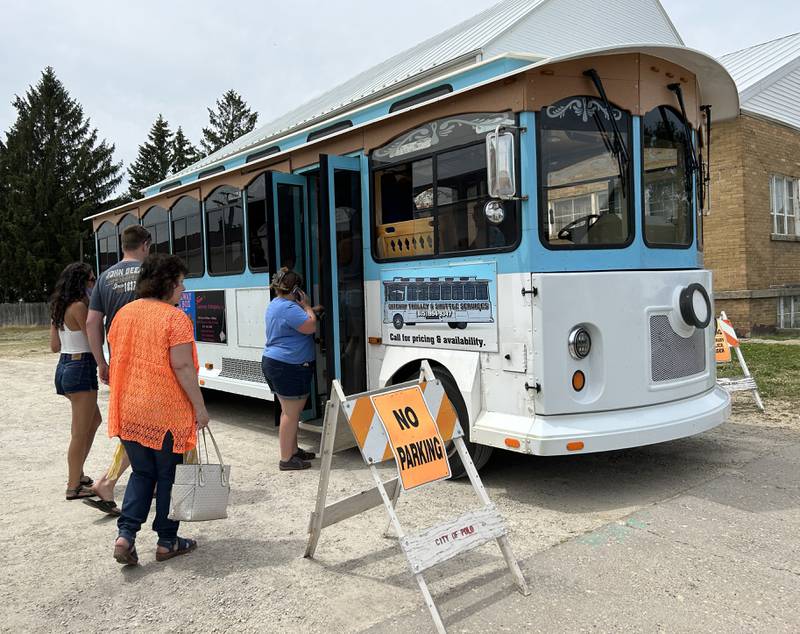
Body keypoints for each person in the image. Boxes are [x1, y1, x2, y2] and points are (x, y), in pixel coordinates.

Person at [108, 253, 209, 565]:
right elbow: (182, 366)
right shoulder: (174, 318)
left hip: (129, 407)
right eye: (180, 283)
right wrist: (200, 407)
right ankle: (167, 540)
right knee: (168, 475)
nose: (183, 290)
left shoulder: (123, 314)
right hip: (164, 411)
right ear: (166, 283)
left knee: (141, 472)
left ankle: (125, 535)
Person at [85, 225, 151, 514]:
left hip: (120, 361)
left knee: (138, 424)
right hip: (150, 359)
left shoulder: (104, 278)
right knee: (147, 424)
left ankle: (111, 482)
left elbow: (92, 322)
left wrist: (101, 362)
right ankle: (108, 481)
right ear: (146, 245)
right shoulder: (151, 273)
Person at [50, 263, 103, 500]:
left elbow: (54, 346)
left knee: (93, 421)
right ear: (82, 282)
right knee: (79, 432)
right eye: (92, 280)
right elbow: (94, 340)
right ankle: (73, 485)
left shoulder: (59, 307)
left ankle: (78, 473)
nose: (94, 284)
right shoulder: (80, 306)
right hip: (81, 366)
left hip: (65, 365)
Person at [261, 268, 322, 471]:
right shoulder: (290, 308)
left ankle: (293, 450)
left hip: (277, 363)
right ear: (296, 289)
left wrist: (308, 309)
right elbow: (310, 326)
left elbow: (297, 319)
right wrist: (307, 306)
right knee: (290, 414)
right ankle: (286, 459)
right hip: (288, 366)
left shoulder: (277, 304)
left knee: (290, 413)